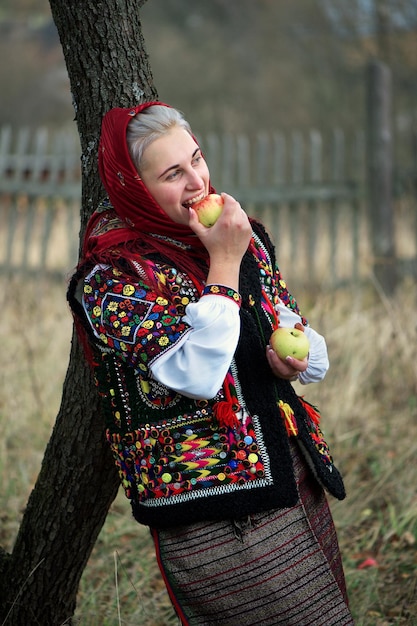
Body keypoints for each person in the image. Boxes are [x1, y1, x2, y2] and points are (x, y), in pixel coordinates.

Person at [68, 101, 354, 625]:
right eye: (173, 173)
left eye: (196, 160)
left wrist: (292, 357)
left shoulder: (238, 236)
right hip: (213, 509)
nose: (197, 181)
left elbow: (296, 332)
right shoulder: (112, 277)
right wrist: (224, 262)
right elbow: (197, 376)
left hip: (293, 476)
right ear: (134, 185)